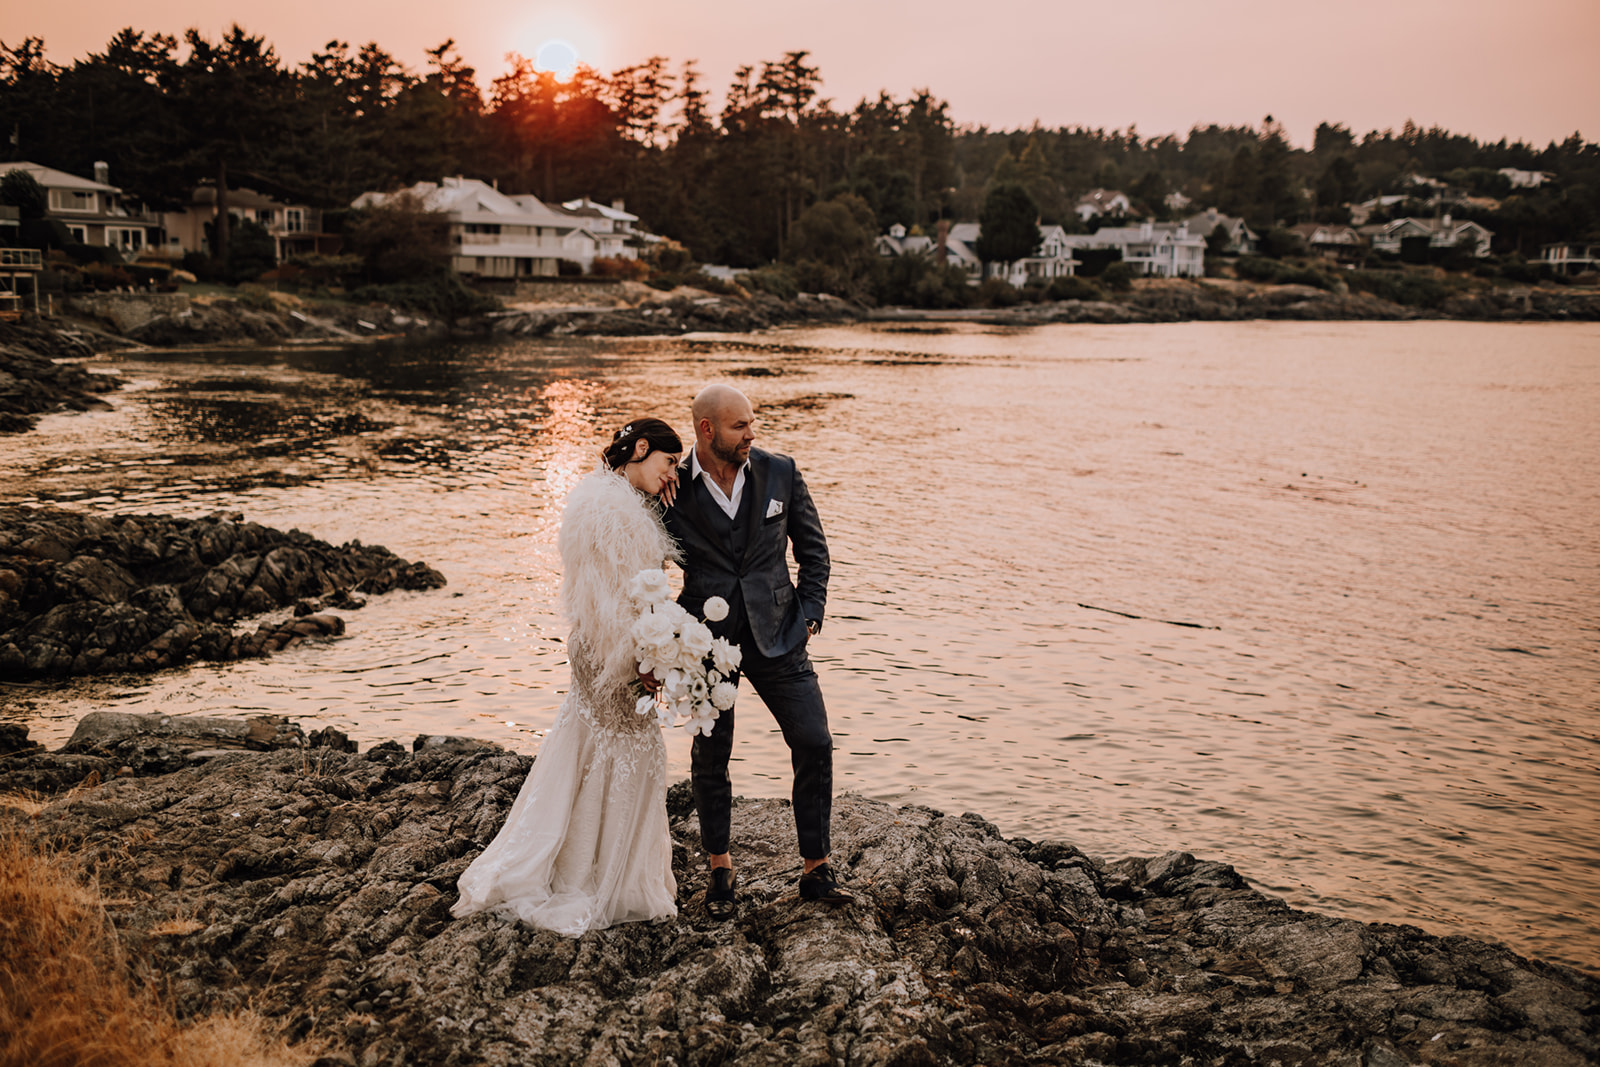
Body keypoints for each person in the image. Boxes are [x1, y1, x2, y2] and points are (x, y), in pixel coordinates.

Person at [452, 418, 684, 936]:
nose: (673, 474)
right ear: (641, 449)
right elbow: (611, 601)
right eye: (670, 462)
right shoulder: (612, 510)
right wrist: (640, 660)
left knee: (594, 747)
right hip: (611, 647)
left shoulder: (612, 500)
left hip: (601, 644)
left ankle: (594, 865)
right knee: (623, 749)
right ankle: (595, 876)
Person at [663, 384, 852, 920]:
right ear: (706, 430)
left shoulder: (781, 473)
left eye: (751, 423)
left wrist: (809, 615)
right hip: (704, 640)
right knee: (712, 753)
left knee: (814, 741)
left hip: (781, 634)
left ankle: (817, 868)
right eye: (739, 426)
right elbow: (642, 559)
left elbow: (814, 552)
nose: (752, 434)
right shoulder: (672, 489)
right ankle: (720, 869)